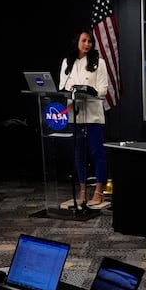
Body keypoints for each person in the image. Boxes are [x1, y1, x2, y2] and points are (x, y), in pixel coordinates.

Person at [58, 30, 110, 209]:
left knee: (97, 153)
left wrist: (88, 90)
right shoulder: (67, 62)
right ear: (77, 42)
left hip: (94, 116)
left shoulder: (99, 62)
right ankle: (82, 192)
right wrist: (72, 88)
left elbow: (103, 88)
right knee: (79, 155)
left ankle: (98, 192)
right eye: (84, 41)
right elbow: (62, 86)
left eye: (90, 41)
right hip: (76, 116)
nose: (87, 44)